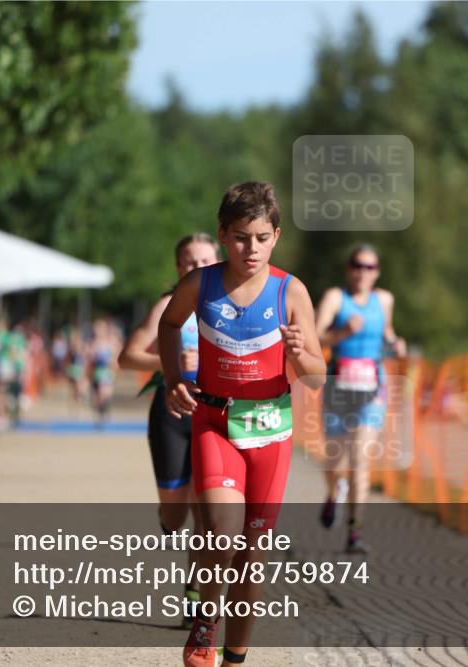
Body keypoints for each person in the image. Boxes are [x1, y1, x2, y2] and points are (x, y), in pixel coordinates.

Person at [159, 181, 326, 667]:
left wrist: (300, 354)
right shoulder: (201, 284)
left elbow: (316, 377)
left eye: (259, 237)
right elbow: (170, 324)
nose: (248, 248)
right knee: (223, 534)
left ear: (275, 236)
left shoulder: (290, 291)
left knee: (253, 561)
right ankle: (206, 623)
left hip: (271, 432)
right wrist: (174, 378)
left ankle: (235, 658)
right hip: (216, 422)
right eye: (238, 237)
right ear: (222, 235)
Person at [118, 232, 220, 629]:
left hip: (213, 415)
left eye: (205, 261)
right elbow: (127, 357)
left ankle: (195, 594)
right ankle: (166, 517)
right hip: (172, 415)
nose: (197, 268)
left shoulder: (229, 306)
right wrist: (170, 361)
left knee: (205, 508)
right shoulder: (167, 305)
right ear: (179, 268)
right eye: (190, 262)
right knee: (177, 515)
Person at [314, 244, 406, 554]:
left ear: (377, 271)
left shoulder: (384, 300)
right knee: (334, 463)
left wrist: (395, 342)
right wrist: (341, 332)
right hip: (338, 388)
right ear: (348, 268)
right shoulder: (335, 298)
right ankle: (333, 492)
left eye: (369, 267)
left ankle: (355, 532)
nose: (362, 272)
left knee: (361, 459)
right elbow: (315, 335)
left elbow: (387, 331)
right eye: (357, 265)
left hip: (371, 389)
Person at [88, 317, 121, 426]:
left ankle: (104, 412)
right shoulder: (93, 343)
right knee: (97, 396)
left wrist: (114, 366)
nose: (97, 331)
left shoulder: (111, 341)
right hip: (97, 371)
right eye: (96, 329)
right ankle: (101, 412)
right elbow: (89, 357)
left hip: (107, 372)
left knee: (105, 394)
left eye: (99, 329)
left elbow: (117, 354)